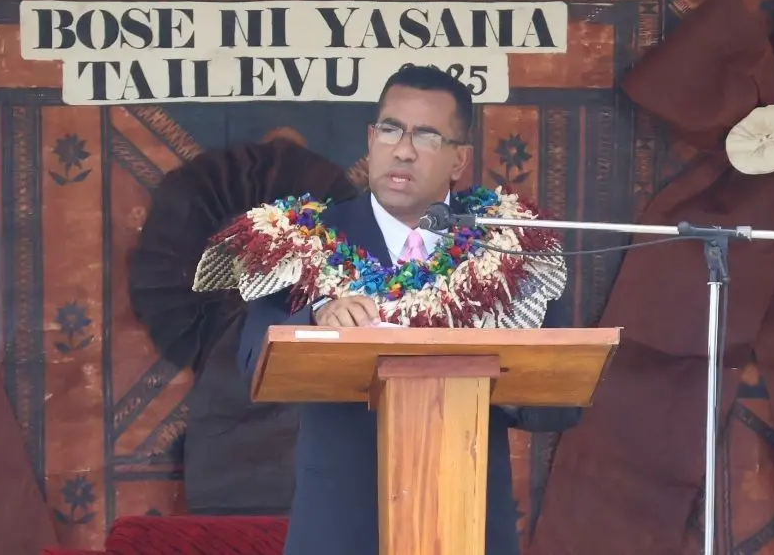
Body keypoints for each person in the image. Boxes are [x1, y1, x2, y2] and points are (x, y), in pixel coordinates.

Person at [202, 64, 580, 555]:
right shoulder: (306, 239)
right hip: (342, 528)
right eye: (390, 130)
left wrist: (483, 374)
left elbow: (560, 403)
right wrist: (318, 318)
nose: (403, 149)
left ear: (459, 159)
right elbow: (253, 363)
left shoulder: (508, 248)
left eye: (426, 135)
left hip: (467, 523)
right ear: (370, 138)